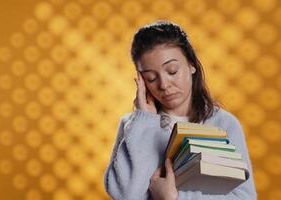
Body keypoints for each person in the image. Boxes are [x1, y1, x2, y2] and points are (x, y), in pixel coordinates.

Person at [104, 21, 257, 200]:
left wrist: (173, 198)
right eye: (151, 78)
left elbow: (244, 197)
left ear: (191, 65)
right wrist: (144, 121)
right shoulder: (134, 126)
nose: (164, 84)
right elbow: (125, 195)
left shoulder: (224, 124)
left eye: (172, 70)